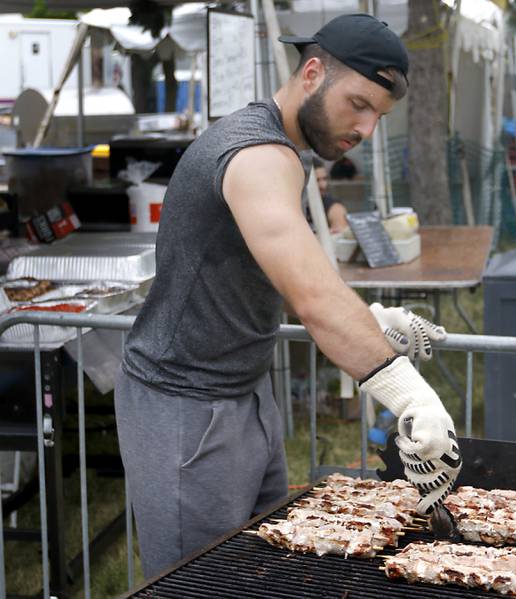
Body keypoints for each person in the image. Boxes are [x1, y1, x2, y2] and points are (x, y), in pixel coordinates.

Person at [114, 14, 462, 579]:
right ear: (313, 72)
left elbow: (284, 269)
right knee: (198, 585)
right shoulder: (255, 155)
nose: (367, 129)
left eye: (380, 114)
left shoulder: (278, 152)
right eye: (358, 104)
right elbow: (313, 297)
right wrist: (412, 396)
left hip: (245, 396)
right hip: (184, 406)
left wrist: (370, 323)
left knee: (267, 571)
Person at [308, 156, 349, 233]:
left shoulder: (334, 208)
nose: (323, 185)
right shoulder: (292, 205)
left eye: (324, 179)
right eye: (317, 180)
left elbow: (341, 240)